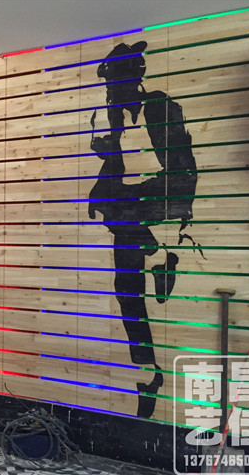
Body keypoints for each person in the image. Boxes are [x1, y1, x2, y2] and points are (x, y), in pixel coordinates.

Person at [88, 42, 198, 418]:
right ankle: (148, 370)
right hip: (131, 212)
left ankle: (157, 253)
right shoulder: (114, 118)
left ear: (133, 78)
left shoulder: (159, 107)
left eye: (115, 82)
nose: (110, 91)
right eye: (108, 85)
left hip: (160, 198)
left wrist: (138, 200)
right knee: (125, 289)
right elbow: (114, 171)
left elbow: (182, 169)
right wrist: (103, 178)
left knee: (125, 226)